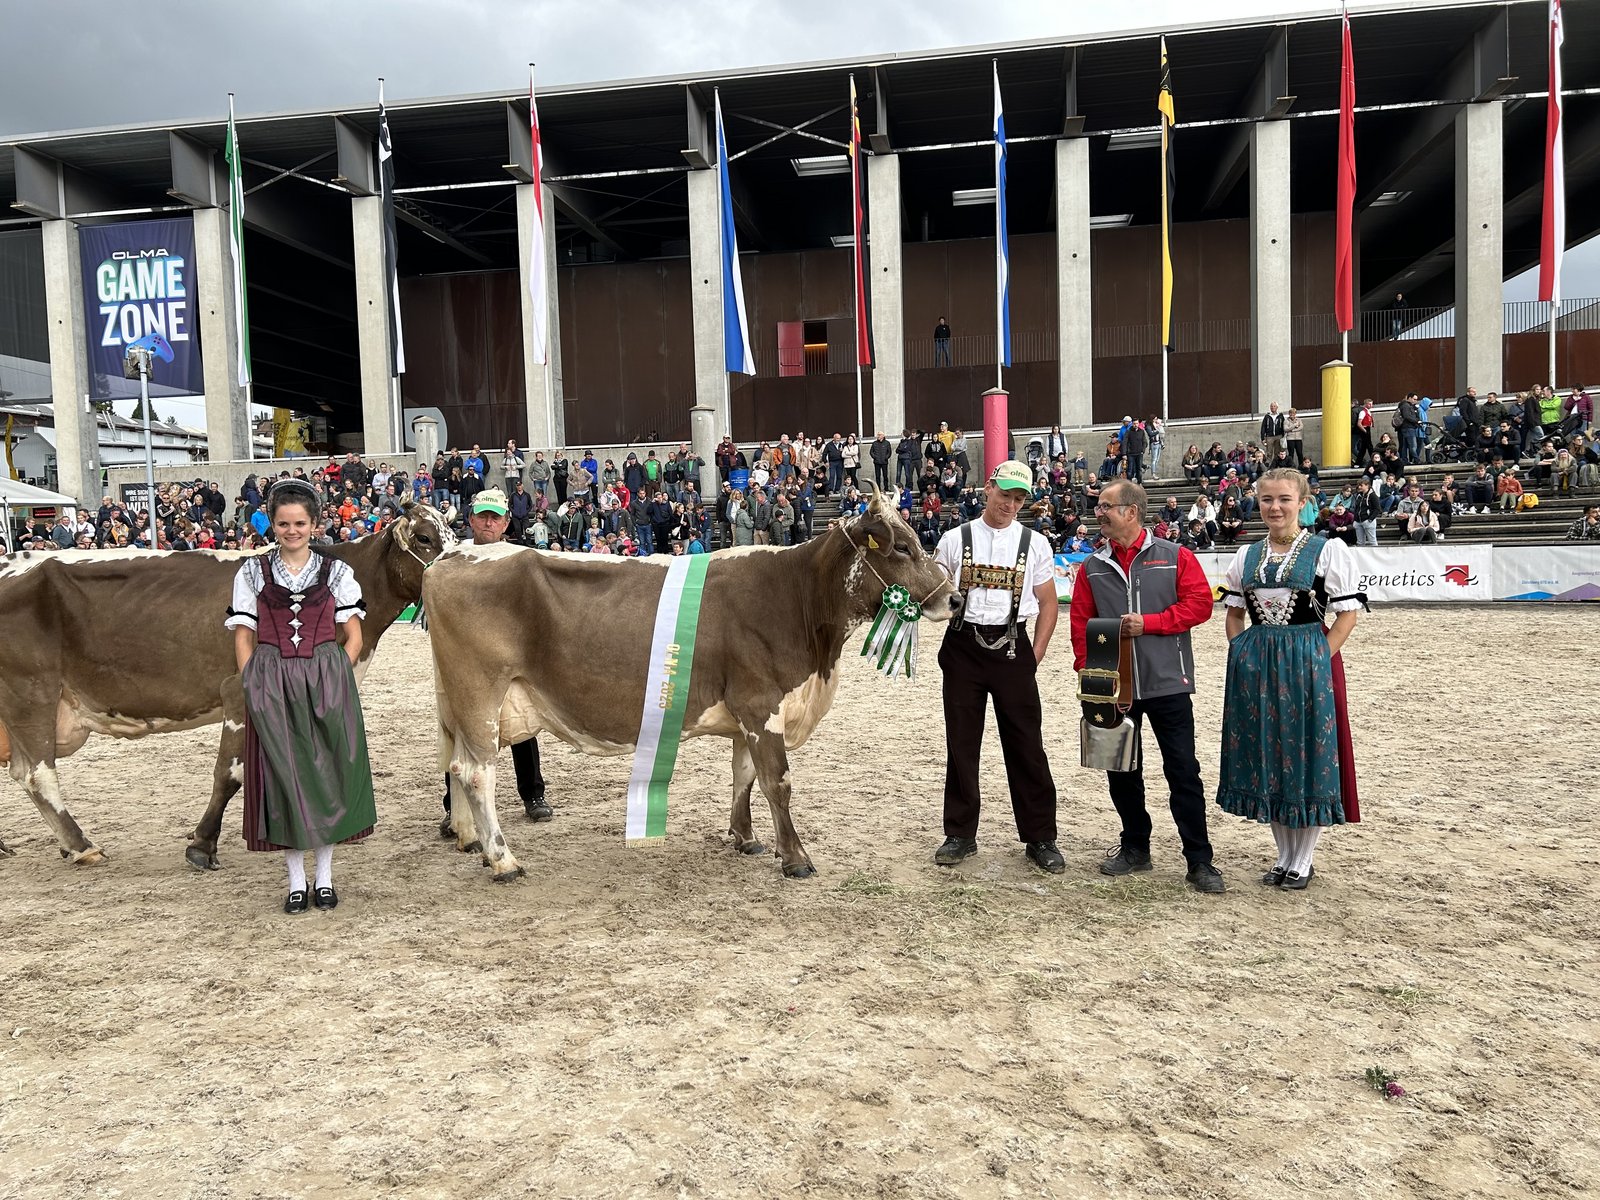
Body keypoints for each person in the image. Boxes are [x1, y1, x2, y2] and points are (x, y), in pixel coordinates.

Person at [225, 480, 376, 914]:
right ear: (272, 525)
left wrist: (335, 673)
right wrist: (253, 679)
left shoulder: (337, 572)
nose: (292, 531)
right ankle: (296, 882)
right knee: (283, 777)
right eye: (283, 523)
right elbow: (243, 634)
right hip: (271, 681)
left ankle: (324, 878)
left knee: (326, 775)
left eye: (300, 523)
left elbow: (354, 636)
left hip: (325, 680)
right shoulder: (252, 572)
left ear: (314, 525)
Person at [1070, 479, 1224, 894]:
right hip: (1113, 686)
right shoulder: (1092, 566)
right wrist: (1089, 676)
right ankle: (1135, 847)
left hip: (1169, 682)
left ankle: (1199, 860)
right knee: (1120, 769)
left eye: (1106, 506)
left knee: (1183, 771)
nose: (1099, 513)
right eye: (1099, 506)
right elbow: (1081, 625)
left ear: (1131, 511)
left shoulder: (1175, 556)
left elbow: (1200, 605)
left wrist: (1150, 624)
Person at [1216, 467, 1363, 890]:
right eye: (1267, 499)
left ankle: (1303, 858)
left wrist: (1317, 659)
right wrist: (1241, 651)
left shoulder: (1327, 550)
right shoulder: (1247, 555)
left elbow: (1347, 616)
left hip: (1310, 662)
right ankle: (1283, 855)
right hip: (1258, 665)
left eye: (1284, 499)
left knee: (1307, 754)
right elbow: (1234, 613)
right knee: (1269, 752)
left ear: (1302, 502)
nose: (1275, 507)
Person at [933, 461, 1063, 875]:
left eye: (1019, 499)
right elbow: (933, 592)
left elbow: (1049, 604)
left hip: (1013, 647)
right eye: (1005, 494)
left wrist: (1034, 655)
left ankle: (1040, 836)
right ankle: (960, 833)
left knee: (1027, 745)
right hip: (963, 645)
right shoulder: (955, 539)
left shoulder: (1035, 543)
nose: (1010, 504)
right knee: (962, 743)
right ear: (988, 488)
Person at [438, 489, 553, 828]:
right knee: (458, 729)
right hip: (463, 658)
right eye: (483, 516)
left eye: (495, 517)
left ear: (505, 523)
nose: (488, 523)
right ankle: (454, 807)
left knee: (521, 723)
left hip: (510, 655)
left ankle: (533, 794)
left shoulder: (521, 558)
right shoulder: (452, 558)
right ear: (471, 519)